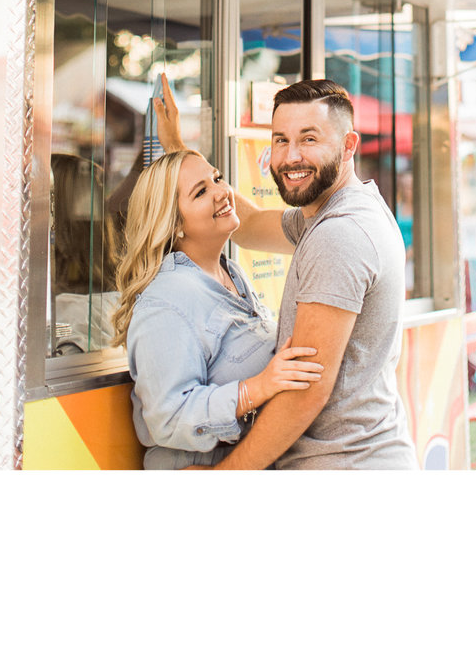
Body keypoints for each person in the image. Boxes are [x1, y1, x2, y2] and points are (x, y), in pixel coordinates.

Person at [153, 75, 412, 469]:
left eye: (309, 139)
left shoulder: (338, 235)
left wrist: (226, 476)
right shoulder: (340, 213)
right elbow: (252, 223)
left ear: (348, 146)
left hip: (344, 466)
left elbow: (305, 390)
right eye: (280, 140)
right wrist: (180, 153)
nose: (291, 157)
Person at [110, 133, 321, 470]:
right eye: (201, 191)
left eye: (217, 178)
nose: (223, 192)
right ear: (174, 223)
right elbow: (169, 418)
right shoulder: (166, 301)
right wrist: (258, 388)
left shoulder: (230, 274)